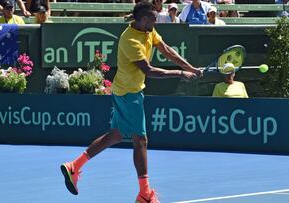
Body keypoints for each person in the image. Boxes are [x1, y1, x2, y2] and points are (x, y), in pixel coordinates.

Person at [60, 1, 202, 203]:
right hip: (129, 94)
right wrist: (181, 73)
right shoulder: (130, 40)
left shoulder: (148, 30)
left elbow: (166, 49)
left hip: (123, 91)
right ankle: (145, 194)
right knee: (140, 140)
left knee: (115, 135)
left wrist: (191, 67)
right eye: (153, 18)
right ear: (143, 19)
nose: (156, 21)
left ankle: (74, 166)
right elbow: (149, 70)